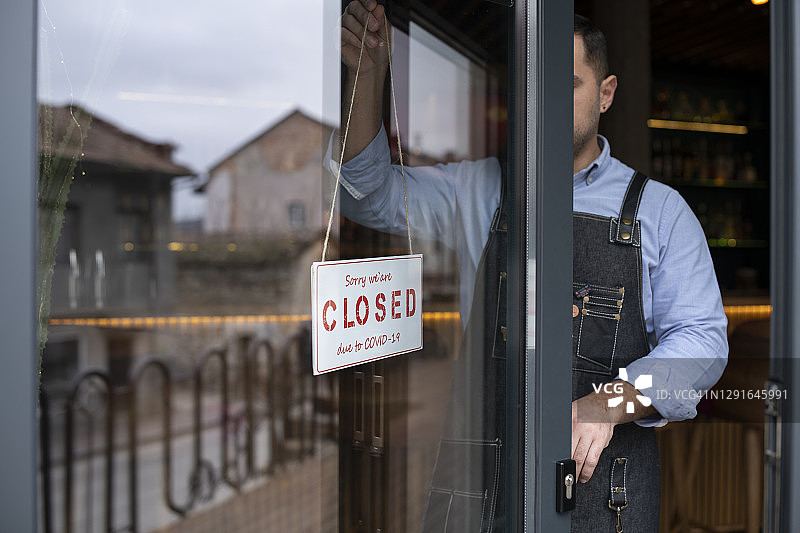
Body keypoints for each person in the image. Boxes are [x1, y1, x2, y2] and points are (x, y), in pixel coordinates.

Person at [330, 3, 728, 531]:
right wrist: (370, 74)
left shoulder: (659, 211)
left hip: (607, 497)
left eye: (569, 83)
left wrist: (607, 404)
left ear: (606, 94)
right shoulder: (478, 187)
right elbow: (366, 195)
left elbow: (703, 343)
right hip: (479, 489)